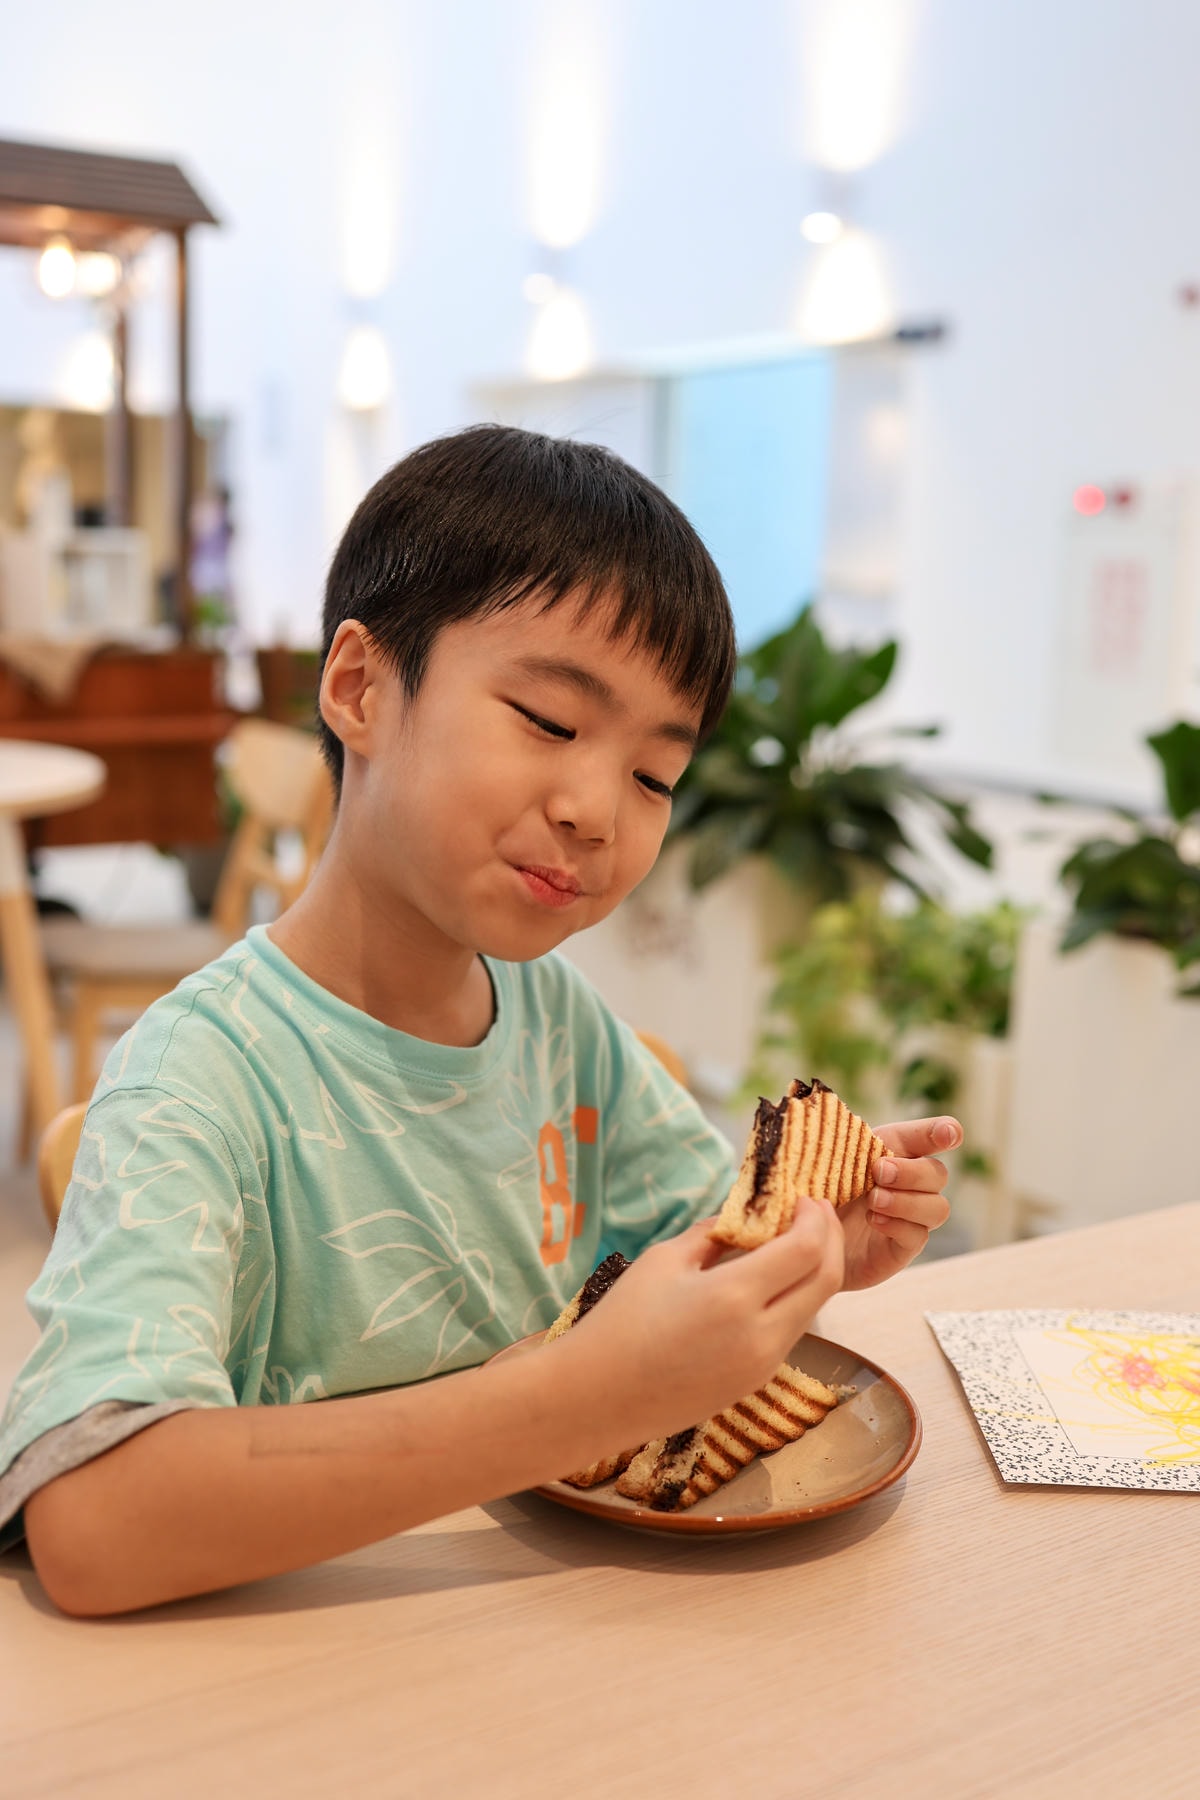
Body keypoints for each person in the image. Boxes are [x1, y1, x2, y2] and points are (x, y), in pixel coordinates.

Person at [0, 426, 957, 1616]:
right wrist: (583, 1399)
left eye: (657, 776)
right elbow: (93, 1522)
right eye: (552, 722)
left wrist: (809, 1248)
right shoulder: (201, 1080)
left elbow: (694, 1250)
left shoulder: (560, 1024)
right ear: (358, 688)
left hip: (550, 1647)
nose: (599, 810)